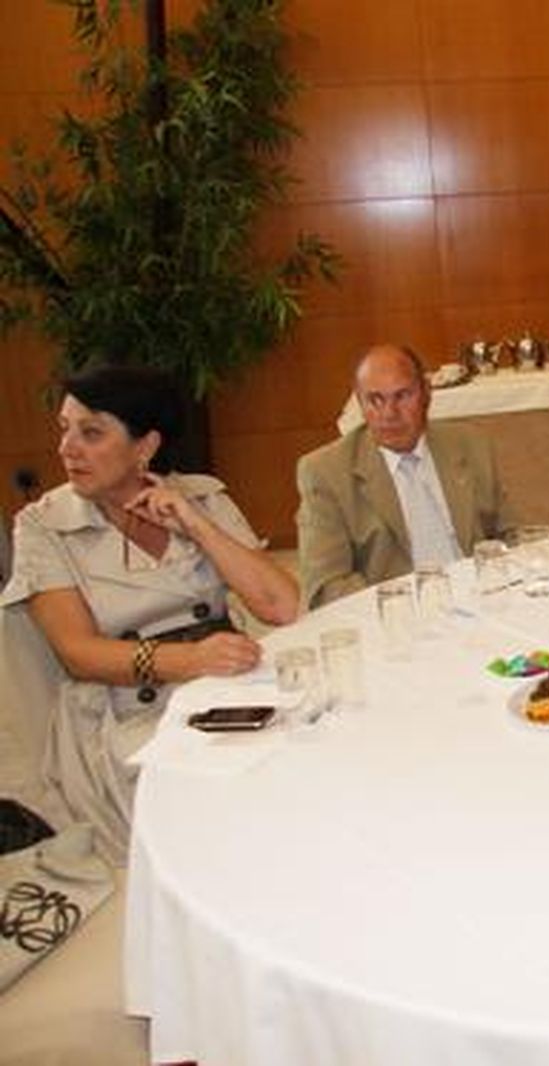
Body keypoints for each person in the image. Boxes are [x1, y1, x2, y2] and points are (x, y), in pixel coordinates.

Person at [0, 366, 298, 862]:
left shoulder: (198, 496)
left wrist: (197, 525)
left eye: (90, 432)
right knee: (217, 805)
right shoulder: (44, 525)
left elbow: (281, 605)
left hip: (224, 687)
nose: (67, 448)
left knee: (305, 759)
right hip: (123, 710)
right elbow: (78, 653)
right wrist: (191, 661)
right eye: (65, 429)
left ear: (145, 447)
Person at [296, 343, 516, 609]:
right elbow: (325, 587)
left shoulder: (469, 444)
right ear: (360, 402)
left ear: (426, 394)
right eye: (375, 400)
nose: (389, 414)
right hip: (395, 616)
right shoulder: (325, 472)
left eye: (402, 396)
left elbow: (510, 535)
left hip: (481, 601)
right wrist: (410, 605)